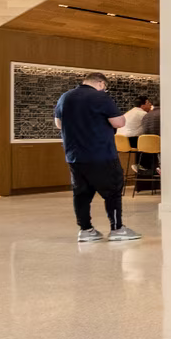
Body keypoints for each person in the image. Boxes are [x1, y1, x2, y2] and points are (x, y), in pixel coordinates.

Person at [52, 72, 140, 242]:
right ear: (101, 83)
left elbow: (59, 124)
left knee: (81, 194)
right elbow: (119, 122)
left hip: (75, 156)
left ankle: (86, 230)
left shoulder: (65, 97)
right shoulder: (101, 97)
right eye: (104, 87)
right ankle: (117, 229)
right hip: (101, 153)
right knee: (113, 191)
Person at [137, 100, 161, 176]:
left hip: (147, 146)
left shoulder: (146, 115)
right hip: (160, 145)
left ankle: (153, 169)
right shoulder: (164, 114)